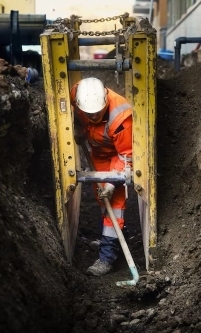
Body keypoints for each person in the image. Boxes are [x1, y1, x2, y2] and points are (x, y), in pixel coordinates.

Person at [70, 77, 133, 276]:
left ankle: (107, 257)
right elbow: (72, 113)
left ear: (105, 101)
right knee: (100, 196)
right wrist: (79, 127)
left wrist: (113, 182)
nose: (94, 115)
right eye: (90, 113)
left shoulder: (121, 118)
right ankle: (112, 237)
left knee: (113, 202)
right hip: (98, 153)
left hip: (117, 156)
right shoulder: (77, 94)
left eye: (98, 112)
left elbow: (127, 155)